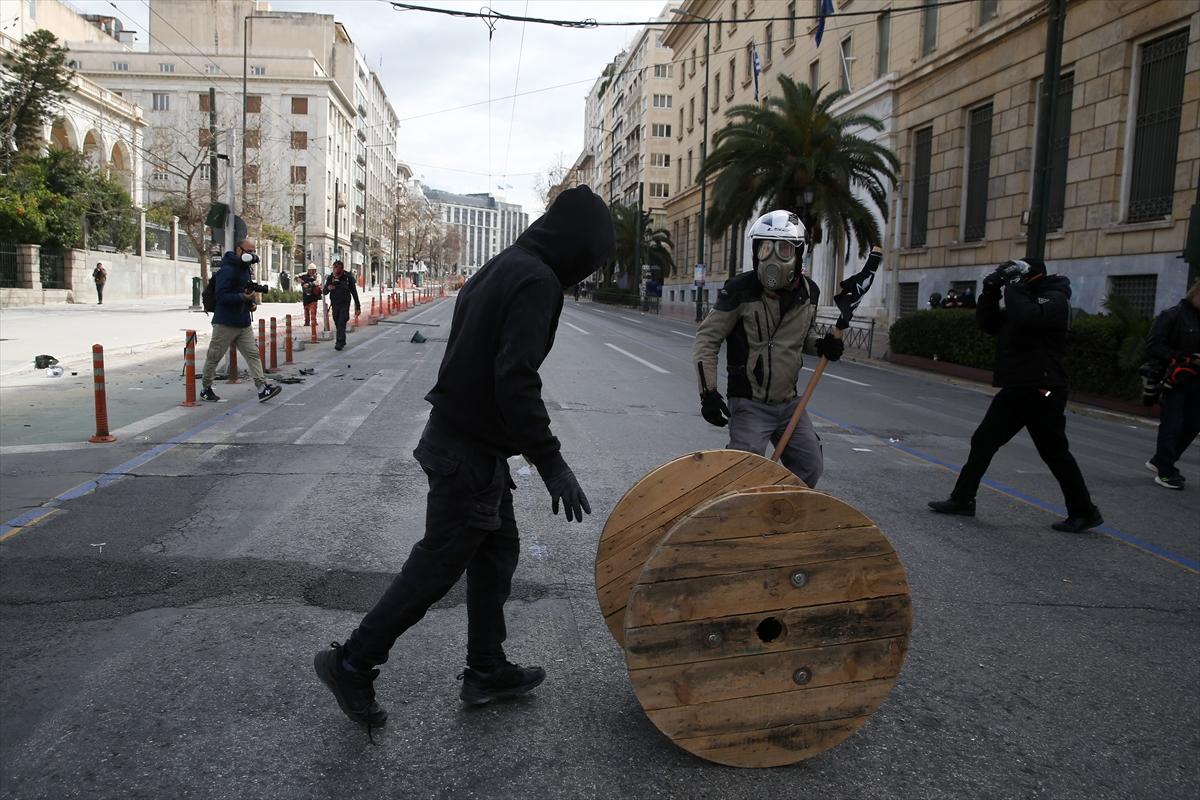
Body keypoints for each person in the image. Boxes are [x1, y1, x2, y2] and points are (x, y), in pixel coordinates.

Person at [313, 185, 614, 729]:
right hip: (468, 453)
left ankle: (486, 668)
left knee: (497, 556)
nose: (589, 270)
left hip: (467, 444)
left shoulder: (503, 265)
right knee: (435, 567)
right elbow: (514, 377)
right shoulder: (538, 280)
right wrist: (551, 462)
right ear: (578, 245)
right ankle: (353, 662)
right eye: (593, 256)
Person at [928, 258, 1102, 532]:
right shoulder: (1025, 297)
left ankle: (1084, 511)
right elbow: (990, 323)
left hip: (1043, 389)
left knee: (1054, 452)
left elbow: (1026, 317)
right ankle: (962, 499)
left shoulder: (1054, 299)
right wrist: (989, 291)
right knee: (983, 440)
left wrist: (1014, 286)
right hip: (1018, 387)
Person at [692, 210, 842, 488]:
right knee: (741, 474)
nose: (773, 259)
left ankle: (779, 514)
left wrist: (822, 345)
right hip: (750, 404)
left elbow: (804, 337)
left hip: (790, 404)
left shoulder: (810, 292)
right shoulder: (739, 290)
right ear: (755, 251)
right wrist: (708, 393)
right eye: (765, 248)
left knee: (810, 467)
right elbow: (707, 339)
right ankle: (736, 520)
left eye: (783, 250)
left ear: (798, 255)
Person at [198, 239, 282, 404]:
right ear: (238, 250)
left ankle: (262, 388)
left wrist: (250, 303)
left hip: (242, 322)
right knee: (214, 356)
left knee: (253, 354)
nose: (252, 254)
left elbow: (243, 290)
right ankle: (206, 388)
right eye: (248, 251)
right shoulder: (227, 270)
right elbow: (221, 296)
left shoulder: (245, 270)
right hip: (225, 322)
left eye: (253, 251)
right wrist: (242, 297)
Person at [1143, 280, 1200, 489]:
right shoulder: (1172, 315)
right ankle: (1166, 470)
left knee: (1193, 424)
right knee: (1172, 424)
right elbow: (1153, 345)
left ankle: (1162, 461)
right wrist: (1184, 358)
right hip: (1175, 379)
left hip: (1197, 381)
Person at [324, 260, 361, 351]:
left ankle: (339, 342)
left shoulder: (348, 277)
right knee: (337, 321)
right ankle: (342, 339)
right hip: (335, 303)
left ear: (341, 269)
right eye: (334, 269)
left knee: (341, 321)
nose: (335, 272)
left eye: (337, 269)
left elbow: (354, 292)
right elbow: (324, 291)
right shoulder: (331, 278)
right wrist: (328, 288)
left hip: (345, 303)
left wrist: (357, 306)